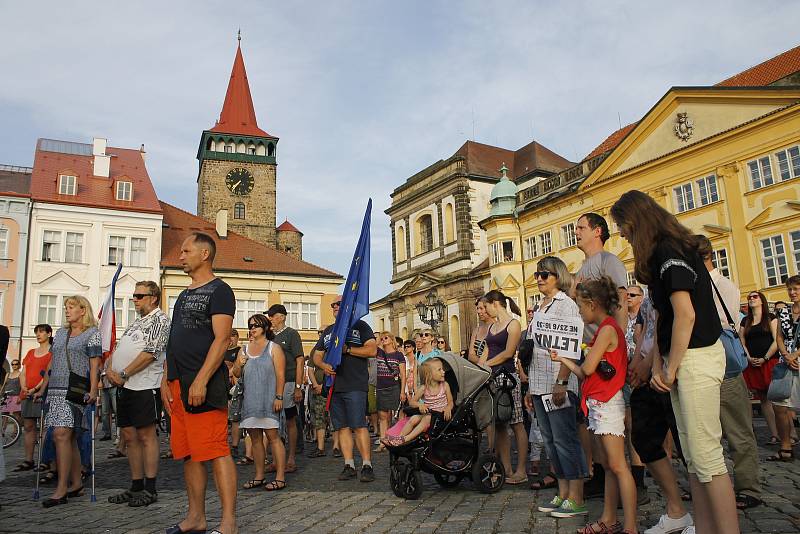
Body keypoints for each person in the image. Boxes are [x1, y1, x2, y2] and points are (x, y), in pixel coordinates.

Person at [611, 190, 738, 534]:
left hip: (695, 358)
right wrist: (658, 365)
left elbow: (685, 315)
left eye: (622, 225)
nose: (621, 233)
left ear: (636, 221)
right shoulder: (664, 253)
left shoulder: (670, 250)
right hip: (680, 359)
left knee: (708, 457)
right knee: (694, 461)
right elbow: (664, 320)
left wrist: (670, 366)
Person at [160, 232, 237, 534]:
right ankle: (196, 518)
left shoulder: (220, 290)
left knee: (216, 449)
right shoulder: (183, 294)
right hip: (179, 382)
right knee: (189, 453)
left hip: (203, 382)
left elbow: (220, 340)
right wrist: (167, 379)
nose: (180, 256)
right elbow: (173, 340)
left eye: (186, 251)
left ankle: (228, 523)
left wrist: (202, 380)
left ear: (204, 254)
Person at [552, 277, 637, 534]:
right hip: (600, 403)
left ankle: (630, 526)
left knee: (619, 467)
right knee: (610, 466)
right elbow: (586, 371)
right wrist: (565, 360)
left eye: (580, 306)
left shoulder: (608, 330)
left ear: (592, 304)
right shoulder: (605, 329)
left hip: (607, 403)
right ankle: (608, 519)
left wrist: (571, 359)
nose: (579, 311)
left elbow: (587, 369)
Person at [697, 235, 762, 510]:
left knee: (738, 430)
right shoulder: (699, 285)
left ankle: (748, 487)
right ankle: (712, 487)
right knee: (706, 433)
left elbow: (724, 322)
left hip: (725, 365)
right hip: (703, 366)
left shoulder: (724, 285)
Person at [523, 257, 588, 518]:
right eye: (538, 274)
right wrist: (530, 387)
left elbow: (569, 349)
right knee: (550, 441)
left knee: (565, 440)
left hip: (557, 382)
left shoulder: (566, 306)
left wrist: (562, 382)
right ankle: (562, 494)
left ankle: (577, 496)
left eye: (545, 275)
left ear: (558, 276)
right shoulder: (541, 306)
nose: (539, 278)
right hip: (538, 383)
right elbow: (535, 349)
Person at [629, 294, 694, 534]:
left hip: (669, 371)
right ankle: (676, 509)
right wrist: (637, 360)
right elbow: (646, 329)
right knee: (644, 440)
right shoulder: (648, 295)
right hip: (649, 371)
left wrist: (647, 364)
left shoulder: (667, 280)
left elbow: (664, 328)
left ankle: (705, 515)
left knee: (688, 446)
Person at [104, 281, 170, 507]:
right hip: (125, 386)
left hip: (144, 385)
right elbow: (121, 348)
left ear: (153, 297)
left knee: (146, 436)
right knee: (129, 436)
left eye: (140, 296)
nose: (135, 299)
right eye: (134, 295)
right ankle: (136, 485)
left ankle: (150, 488)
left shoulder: (160, 320)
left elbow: (151, 352)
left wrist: (123, 372)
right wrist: (110, 368)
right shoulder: (136, 322)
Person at [41, 295, 102, 508]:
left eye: (71, 307)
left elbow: (95, 365)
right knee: (69, 437)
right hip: (55, 389)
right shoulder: (59, 333)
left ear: (83, 310)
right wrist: (42, 387)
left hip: (75, 391)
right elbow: (52, 361)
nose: (67, 310)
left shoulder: (92, 334)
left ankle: (61, 488)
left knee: (61, 434)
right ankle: (76, 483)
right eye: (66, 307)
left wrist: (94, 390)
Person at [312, 296, 378, 483]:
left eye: (338, 304)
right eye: (332, 304)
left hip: (355, 384)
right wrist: (323, 366)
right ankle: (349, 464)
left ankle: (367, 465)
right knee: (342, 427)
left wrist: (348, 350)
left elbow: (372, 350)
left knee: (359, 425)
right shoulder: (328, 331)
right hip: (334, 386)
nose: (334, 306)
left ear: (348, 306)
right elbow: (316, 356)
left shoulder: (361, 326)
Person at [232, 313, 287, 491]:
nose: (252, 329)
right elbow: (236, 373)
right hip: (251, 402)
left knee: (273, 438)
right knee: (255, 439)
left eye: (255, 325)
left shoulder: (274, 348)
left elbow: (280, 375)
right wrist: (239, 364)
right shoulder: (244, 349)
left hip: (269, 400)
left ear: (265, 328)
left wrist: (279, 397)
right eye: (250, 326)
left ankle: (280, 477)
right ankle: (259, 476)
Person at [479, 290, 527, 486]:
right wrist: (479, 369)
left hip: (507, 378)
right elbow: (488, 349)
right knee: (499, 425)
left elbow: (508, 352)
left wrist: (487, 365)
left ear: (495, 304)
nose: (485, 309)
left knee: (516, 423)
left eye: (486, 305)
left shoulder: (513, 324)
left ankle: (521, 469)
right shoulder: (492, 326)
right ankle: (505, 468)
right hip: (492, 379)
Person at [266, 304, 304, 474]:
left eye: (272, 316)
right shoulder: (270, 336)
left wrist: (297, 387)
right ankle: (276, 459)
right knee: (273, 421)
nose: (270, 319)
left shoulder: (291, 334)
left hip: (288, 382)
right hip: (271, 384)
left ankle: (291, 459)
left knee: (289, 420)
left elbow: (300, 361)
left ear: (281, 316)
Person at [739, 291, 780, 444]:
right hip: (753, 363)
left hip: (769, 361)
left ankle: (789, 433)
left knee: (777, 398)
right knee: (763, 399)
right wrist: (749, 357)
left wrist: (765, 358)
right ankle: (774, 434)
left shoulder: (770, 318)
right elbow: (742, 341)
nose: (751, 299)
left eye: (754, 297)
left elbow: (776, 340)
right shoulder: (746, 321)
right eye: (749, 297)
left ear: (761, 300)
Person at [384, 358, 453, 445]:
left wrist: (448, 407)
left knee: (427, 418)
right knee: (414, 418)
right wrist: (420, 405)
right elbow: (412, 402)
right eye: (440, 370)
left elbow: (450, 401)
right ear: (430, 374)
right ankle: (399, 438)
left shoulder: (445, 386)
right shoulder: (424, 388)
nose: (443, 372)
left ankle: (406, 439)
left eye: (442, 369)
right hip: (429, 414)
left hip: (440, 416)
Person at [15, 324, 53, 472]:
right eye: (37, 332)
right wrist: (24, 387)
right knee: (29, 427)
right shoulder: (31, 352)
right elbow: (23, 372)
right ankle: (28, 459)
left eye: (41, 332)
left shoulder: (51, 352)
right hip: (27, 394)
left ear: (49, 334)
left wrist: (35, 388)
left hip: (41, 393)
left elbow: (48, 374)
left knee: (44, 427)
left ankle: (44, 460)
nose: (38, 335)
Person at [624, 285, 648, 503]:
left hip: (639, 371)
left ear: (641, 298)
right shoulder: (621, 316)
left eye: (632, 295)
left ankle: (639, 478)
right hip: (620, 372)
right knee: (625, 424)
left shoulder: (644, 316)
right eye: (626, 294)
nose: (628, 297)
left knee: (634, 425)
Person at [773, 275, 800, 461]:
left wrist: (795, 355)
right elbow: (779, 337)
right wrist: (785, 355)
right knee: (779, 404)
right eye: (790, 289)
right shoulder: (783, 312)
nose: (792, 293)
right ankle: (785, 444)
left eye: (796, 289)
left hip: (797, 358)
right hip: (786, 361)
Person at [374, 332, 406, 452]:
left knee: (397, 415)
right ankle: (383, 442)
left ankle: (396, 440)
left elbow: (403, 374)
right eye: (382, 338)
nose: (383, 340)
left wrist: (402, 391)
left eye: (386, 338)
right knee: (382, 416)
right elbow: (374, 344)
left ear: (392, 339)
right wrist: (379, 341)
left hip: (394, 387)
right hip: (381, 387)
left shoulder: (399, 355)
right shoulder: (379, 352)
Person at [225, 329, 243, 459]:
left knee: (235, 419)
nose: (230, 339)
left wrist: (229, 370)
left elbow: (236, 369)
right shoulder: (220, 350)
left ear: (237, 337)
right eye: (228, 336)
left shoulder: (239, 351)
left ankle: (235, 446)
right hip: (221, 389)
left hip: (235, 389)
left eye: (233, 336)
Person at [468, 298, 494, 365]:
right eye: (477, 308)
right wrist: (482, 363)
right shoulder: (476, 331)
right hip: (481, 369)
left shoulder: (499, 327)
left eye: (481, 308)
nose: (478, 312)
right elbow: (470, 355)